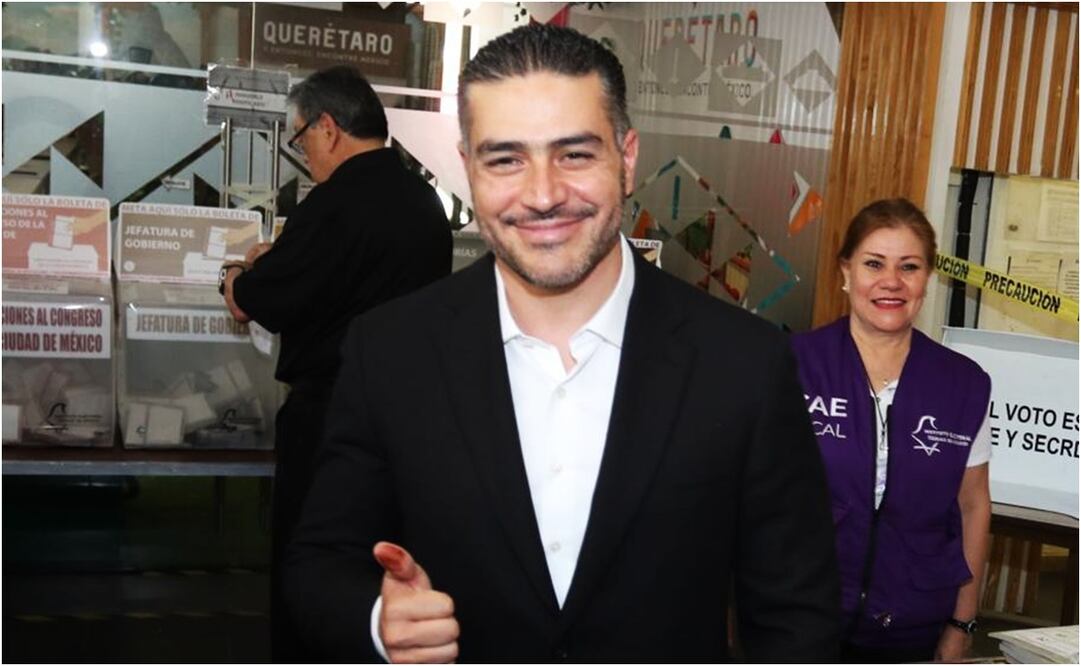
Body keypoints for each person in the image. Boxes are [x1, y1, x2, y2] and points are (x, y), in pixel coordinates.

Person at [284, 25, 840, 662]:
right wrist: (381, 619)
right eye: (506, 159)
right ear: (468, 167)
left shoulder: (744, 364)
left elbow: (797, 616)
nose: (543, 194)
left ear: (627, 157)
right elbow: (319, 563)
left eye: (574, 155)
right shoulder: (391, 351)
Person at [220, 65, 452, 661]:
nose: (305, 156)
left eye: (300, 139)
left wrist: (239, 271)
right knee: (384, 561)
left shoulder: (334, 205)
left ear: (327, 128)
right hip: (409, 422)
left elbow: (257, 302)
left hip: (330, 418)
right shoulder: (423, 201)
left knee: (313, 557)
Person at [790, 198, 992, 663]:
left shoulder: (964, 384)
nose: (891, 282)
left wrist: (961, 624)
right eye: (874, 264)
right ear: (846, 272)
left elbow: (973, 505)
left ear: (927, 279)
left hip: (911, 628)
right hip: (800, 619)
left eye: (910, 266)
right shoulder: (792, 365)